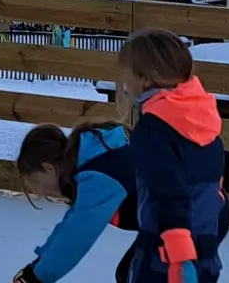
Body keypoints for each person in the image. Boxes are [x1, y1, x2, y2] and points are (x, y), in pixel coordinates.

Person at [117, 29, 229, 283]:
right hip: (205, 253)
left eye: (127, 74)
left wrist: (179, 258)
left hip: (165, 256)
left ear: (144, 79)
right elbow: (218, 198)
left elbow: (166, 193)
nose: (124, 83)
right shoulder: (205, 121)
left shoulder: (152, 129)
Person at [14, 121, 139, 283]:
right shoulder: (91, 163)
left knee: (136, 275)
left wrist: (36, 277)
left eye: (37, 182)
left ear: (48, 168)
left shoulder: (99, 174)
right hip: (170, 221)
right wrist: (38, 265)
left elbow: (76, 236)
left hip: (177, 220)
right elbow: (69, 226)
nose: (41, 192)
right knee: (129, 273)